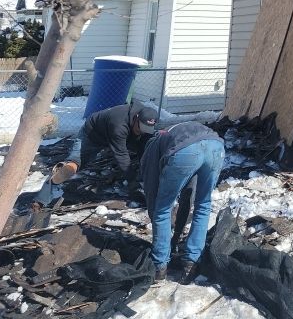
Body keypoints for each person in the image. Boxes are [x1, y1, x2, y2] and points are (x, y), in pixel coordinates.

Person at [140, 121, 225, 282]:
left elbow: (152, 190)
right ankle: (191, 263)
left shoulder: (152, 147)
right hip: (216, 147)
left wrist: (156, 215)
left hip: (187, 151)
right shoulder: (172, 135)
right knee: (203, 204)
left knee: (163, 209)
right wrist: (177, 232)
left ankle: (159, 266)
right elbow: (188, 194)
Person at [33, 101, 158, 205]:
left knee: (146, 148)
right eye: (140, 128)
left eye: (145, 129)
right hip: (92, 135)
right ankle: (41, 199)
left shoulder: (145, 118)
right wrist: (133, 184)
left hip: (118, 135)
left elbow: (144, 147)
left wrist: (145, 170)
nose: (142, 131)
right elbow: (121, 156)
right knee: (75, 164)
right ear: (136, 118)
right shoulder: (118, 124)